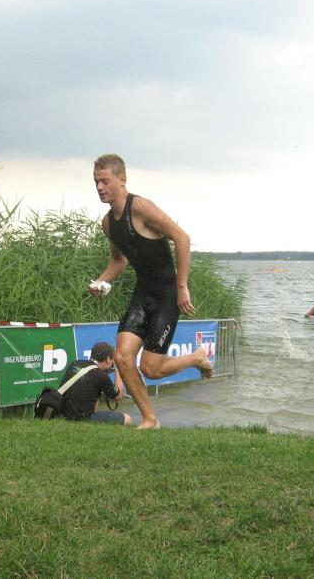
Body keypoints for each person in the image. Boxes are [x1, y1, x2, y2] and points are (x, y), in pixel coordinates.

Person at [89, 154, 214, 430]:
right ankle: (150, 419)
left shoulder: (141, 207)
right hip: (143, 292)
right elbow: (118, 261)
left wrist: (182, 286)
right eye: (96, 181)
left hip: (167, 293)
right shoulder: (108, 223)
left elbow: (182, 237)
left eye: (105, 181)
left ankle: (196, 358)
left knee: (151, 368)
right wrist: (99, 282)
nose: (99, 187)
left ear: (122, 180)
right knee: (122, 358)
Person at [60, 342, 132, 425]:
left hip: (64, 415)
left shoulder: (75, 364)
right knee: (127, 418)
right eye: (113, 360)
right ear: (108, 359)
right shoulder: (100, 375)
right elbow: (119, 396)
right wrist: (117, 369)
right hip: (82, 419)